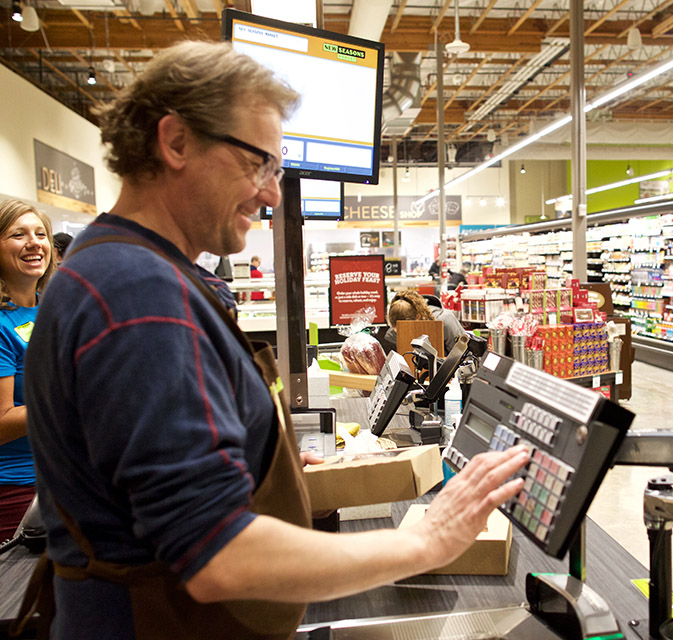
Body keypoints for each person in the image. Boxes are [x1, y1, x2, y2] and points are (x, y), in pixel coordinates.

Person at [22, 41, 527, 640]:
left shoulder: (115, 269)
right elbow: (220, 557)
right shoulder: (140, 299)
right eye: (258, 163)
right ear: (176, 141)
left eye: (277, 171)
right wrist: (424, 541)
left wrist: (269, 461)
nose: (270, 194)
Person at [0, 199, 55, 540]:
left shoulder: (48, 309)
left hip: (56, 477)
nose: (35, 243)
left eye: (40, 233)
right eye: (19, 234)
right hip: (16, 490)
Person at [380, 288, 466, 356]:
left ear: (417, 317)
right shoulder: (391, 335)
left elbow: (463, 355)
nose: (401, 334)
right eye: (397, 332)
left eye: (405, 331)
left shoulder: (445, 320)